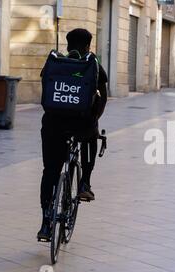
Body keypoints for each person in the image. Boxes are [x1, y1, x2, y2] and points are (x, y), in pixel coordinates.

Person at [38, 29, 108, 241]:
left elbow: (45, 92)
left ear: (67, 46)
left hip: (53, 126)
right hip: (81, 126)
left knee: (50, 171)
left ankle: (45, 223)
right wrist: (94, 117)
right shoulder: (91, 63)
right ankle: (85, 182)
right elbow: (103, 96)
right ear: (88, 46)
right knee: (91, 137)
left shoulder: (55, 62)